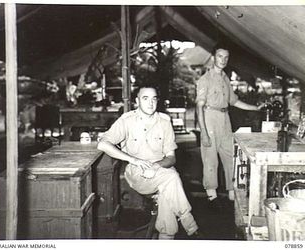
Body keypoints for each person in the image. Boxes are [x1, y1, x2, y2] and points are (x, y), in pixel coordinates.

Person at [97, 85, 202, 240]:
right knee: (172, 177)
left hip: (161, 170)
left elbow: (171, 158)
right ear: (137, 101)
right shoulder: (127, 121)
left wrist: (155, 166)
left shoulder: (165, 122)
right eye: (145, 98)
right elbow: (103, 144)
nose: (150, 103)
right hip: (137, 173)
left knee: (167, 191)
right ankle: (188, 220)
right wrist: (133, 160)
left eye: (154, 99)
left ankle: (166, 237)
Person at [196, 43, 264, 209]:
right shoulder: (205, 79)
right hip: (209, 117)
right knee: (210, 159)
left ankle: (233, 195)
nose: (223, 60)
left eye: (226, 57)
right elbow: (199, 106)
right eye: (220, 56)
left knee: (230, 156)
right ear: (213, 57)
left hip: (225, 118)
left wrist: (256, 108)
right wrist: (203, 132)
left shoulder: (225, 78)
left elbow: (234, 101)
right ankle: (211, 198)